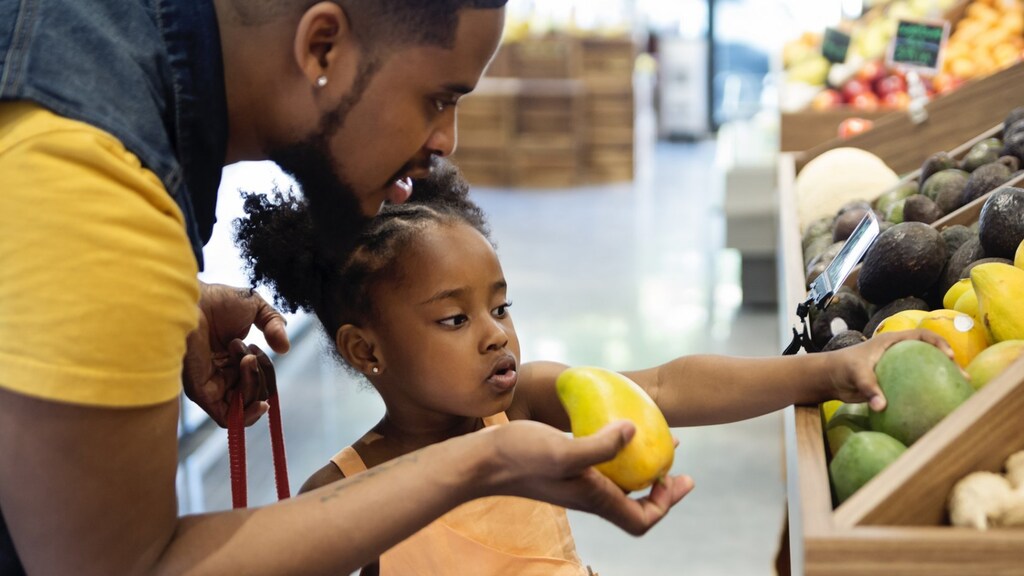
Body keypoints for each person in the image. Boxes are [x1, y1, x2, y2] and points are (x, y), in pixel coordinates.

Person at [0, 1, 693, 574]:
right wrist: (483, 459)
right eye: (437, 98)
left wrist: (161, 297)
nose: (446, 140)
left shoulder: (99, 61)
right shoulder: (91, 170)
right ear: (323, 47)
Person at [233, 160, 957, 576]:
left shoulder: (521, 409)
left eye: (500, 307)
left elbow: (670, 386)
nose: (496, 338)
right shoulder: (338, 492)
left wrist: (826, 373)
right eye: (455, 320)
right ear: (367, 350)